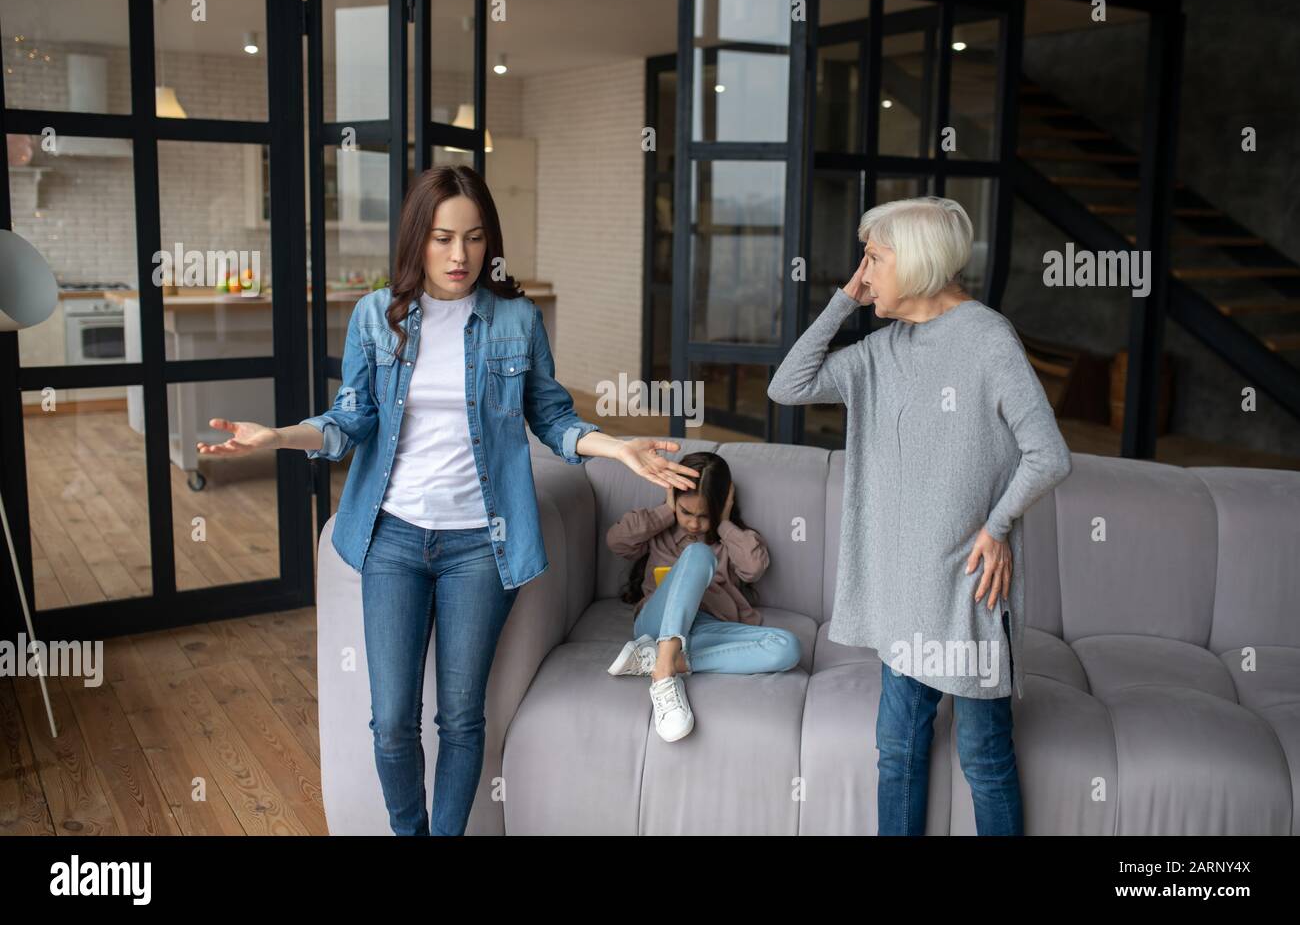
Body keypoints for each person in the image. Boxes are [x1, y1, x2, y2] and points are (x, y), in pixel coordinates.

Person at [196, 165, 700, 835]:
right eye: (441, 238)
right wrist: (280, 436)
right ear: (416, 240)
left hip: (479, 548)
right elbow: (349, 420)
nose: (459, 255)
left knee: (461, 718)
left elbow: (552, 418)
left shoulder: (516, 321)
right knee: (391, 721)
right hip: (394, 539)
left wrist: (615, 448)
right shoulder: (377, 318)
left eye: (473, 237)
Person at [768, 195, 1073, 835]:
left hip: (967, 594)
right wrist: (844, 301)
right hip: (903, 599)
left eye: (875, 258)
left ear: (919, 263)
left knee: (985, 759)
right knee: (898, 756)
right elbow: (787, 387)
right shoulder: (884, 350)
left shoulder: (988, 340)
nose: (865, 270)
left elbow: (1047, 455)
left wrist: (998, 526)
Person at [606, 452, 799, 741]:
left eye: (704, 516)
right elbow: (616, 540)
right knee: (697, 553)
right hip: (654, 627)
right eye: (686, 513)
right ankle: (664, 676)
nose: (694, 525)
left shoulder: (727, 540)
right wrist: (667, 511)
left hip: (706, 628)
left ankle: (663, 661)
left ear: (720, 508)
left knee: (788, 647)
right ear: (673, 500)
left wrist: (723, 523)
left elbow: (754, 568)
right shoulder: (660, 532)